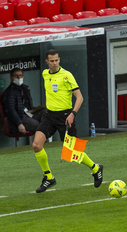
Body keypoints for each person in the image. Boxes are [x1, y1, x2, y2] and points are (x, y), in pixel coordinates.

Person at [32, 49, 103, 193]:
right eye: (51, 61)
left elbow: (80, 97)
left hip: (65, 117)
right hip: (49, 115)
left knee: (72, 154)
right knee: (36, 145)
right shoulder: (45, 74)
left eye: (56, 60)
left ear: (59, 60)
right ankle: (49, 177)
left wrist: (72, 114)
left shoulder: (66, 75)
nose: (54, 63)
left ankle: (96, 168)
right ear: (47, 62)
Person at [2, 68, 44, 134]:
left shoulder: (24, 89)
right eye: (16, 76)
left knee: (46, 114)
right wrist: (19, 123)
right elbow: (11, 111)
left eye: (20, 75)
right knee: (39, 126)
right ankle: (43, 143)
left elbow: (29, 106)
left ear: (23, 77)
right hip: (20, 118)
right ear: (11, 78)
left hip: (29, 113)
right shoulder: (9, 92)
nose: (19, 77)